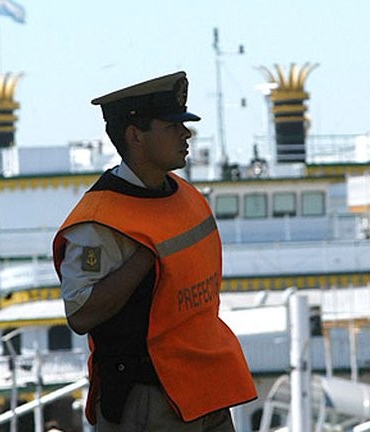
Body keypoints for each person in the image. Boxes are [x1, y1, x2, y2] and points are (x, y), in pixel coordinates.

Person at [52, 71, 257, 431]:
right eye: (172, 126)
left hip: (206, 390)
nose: (186, 134)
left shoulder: (185, 194)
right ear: (135, 136)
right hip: (149, 400)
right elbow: (80, 314)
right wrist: (147, 256)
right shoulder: (97, 223)